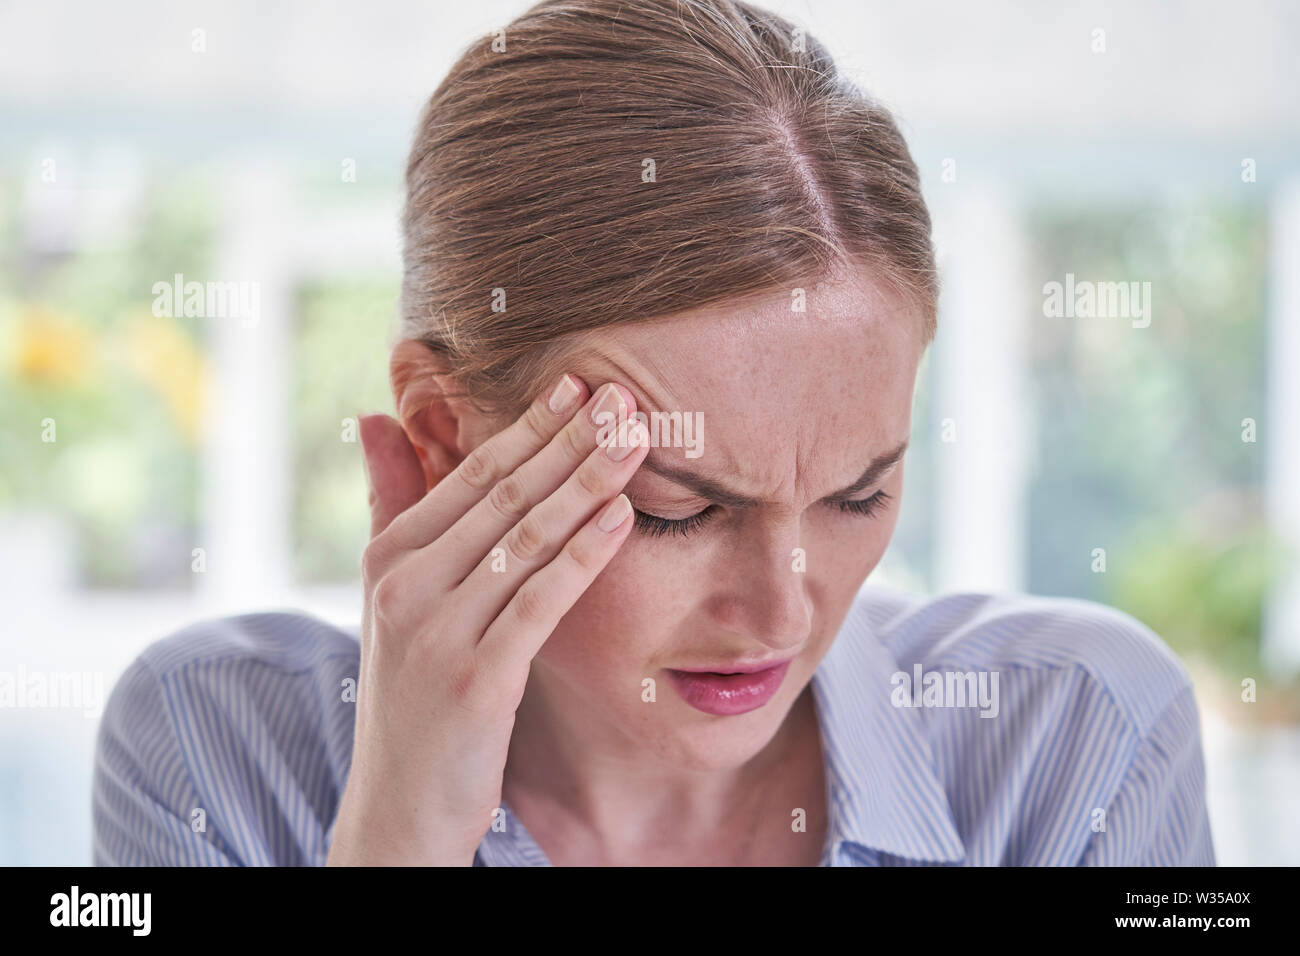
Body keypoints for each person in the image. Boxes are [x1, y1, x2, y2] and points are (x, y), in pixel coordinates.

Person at [93, 0, 1214, 866]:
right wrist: (398, 834)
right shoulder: (213, 747)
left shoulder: (1082, 735)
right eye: (676, 508)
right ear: (442, 434)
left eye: (857, 495)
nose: (782, 610)